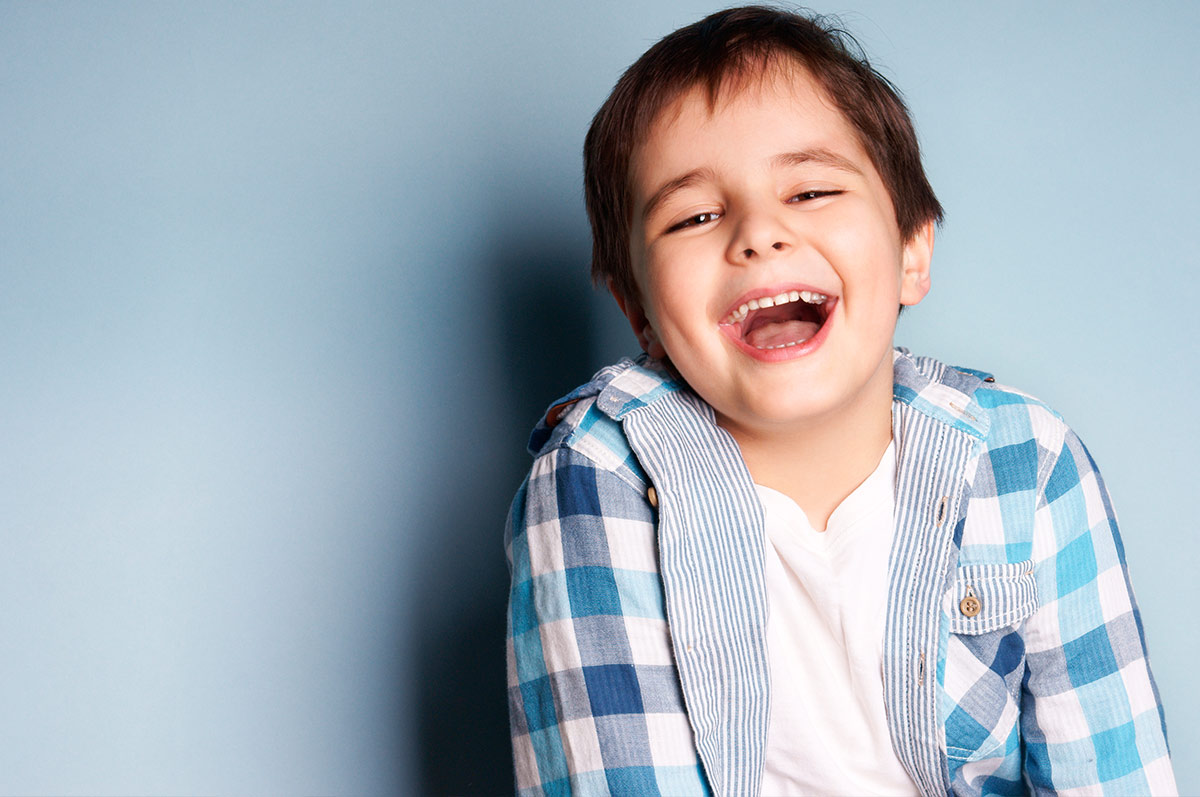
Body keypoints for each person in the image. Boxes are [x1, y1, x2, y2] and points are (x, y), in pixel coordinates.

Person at [505, 6, 1175, 795]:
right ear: (639, 311)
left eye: (812, 190)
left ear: (912, 250)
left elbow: (1114, 770)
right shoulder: (597, 473)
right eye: (695, 215)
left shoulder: (1027, 462)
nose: (758, 233)